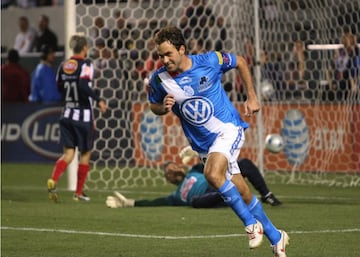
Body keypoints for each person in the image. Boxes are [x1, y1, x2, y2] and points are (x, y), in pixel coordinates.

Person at [147, 26, 289, 257]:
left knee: (212, 174)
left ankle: (251, 226)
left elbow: (241, 62)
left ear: (182, 49)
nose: (164, 60)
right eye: (160, 55)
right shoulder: (159, 79)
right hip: (203, 145)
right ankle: (276, 237)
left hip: (228, 128)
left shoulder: (210, 60)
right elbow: (153, 105)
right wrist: (164, 107)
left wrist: (252, 96)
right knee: (242, 192)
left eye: (169, 54)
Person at [46, 35, 107, 202]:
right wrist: (98, 99)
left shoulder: (63, 65)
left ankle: (54, 179)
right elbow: (82, 85)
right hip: (83, 115)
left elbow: (59, 85)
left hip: (66, 113)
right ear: (85, 48)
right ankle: (78, 193)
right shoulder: (86, 64)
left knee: (68, 154)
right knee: (86, 152)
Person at [106, 156, 281, 208]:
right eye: (169, 171)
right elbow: (154, 202)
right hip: (205, 199)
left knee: (244, 163)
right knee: (195, 202)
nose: (174, 170)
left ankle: (266, 194)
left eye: (174, 166)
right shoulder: (174, 196)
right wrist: (129, 203)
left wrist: (191, 155)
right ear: (169, 179)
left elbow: (210, 162)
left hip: (213, 184)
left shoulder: (193, 171)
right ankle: (230, 193)